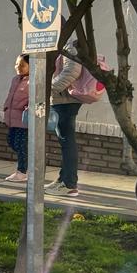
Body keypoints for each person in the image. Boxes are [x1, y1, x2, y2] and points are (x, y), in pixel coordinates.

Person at [47, 55, 85, 197]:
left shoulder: (70, 47)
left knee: (67, 141)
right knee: (65, 142)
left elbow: (71, 71)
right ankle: (63, 180)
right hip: (62, 100)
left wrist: (47, 87)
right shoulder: (64, 46)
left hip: (65, 101)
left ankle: (69, 184)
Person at [3, 55, 31, 184]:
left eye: (22, 65)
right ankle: (27, 165)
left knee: (21, 145)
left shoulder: (33, 81)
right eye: (16, 64)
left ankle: (22, 172)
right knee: (12, 142)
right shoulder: (15, 79)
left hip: (23, 119)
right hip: (12, 118)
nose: (18, 68)